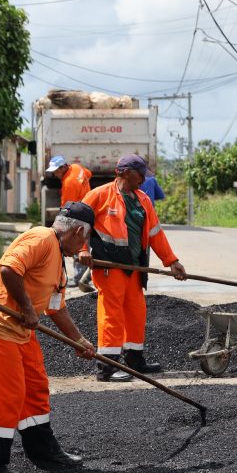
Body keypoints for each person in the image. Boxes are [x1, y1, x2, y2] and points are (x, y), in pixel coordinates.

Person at [0, 202, 97, 473]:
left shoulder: (59, 261)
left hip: (20, 332)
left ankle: (42, 451)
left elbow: (56, 308)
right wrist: (27, 308)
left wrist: (78, 340)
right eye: (86, 238)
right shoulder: (41, 238)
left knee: (35, 387)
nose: (84, 245)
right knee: (6, 394)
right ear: (78, 231)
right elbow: (9, 269)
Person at [80, 154, 187, 382]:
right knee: (112, 314)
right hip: (110, 265)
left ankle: (134, 358)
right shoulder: (100, 195)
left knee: (136, 313)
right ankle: (107, 367)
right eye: (140, 174)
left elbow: (155, 233)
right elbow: (77, 223)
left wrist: (172, 261)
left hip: (136, 268)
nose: (143, 179)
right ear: (126, 173)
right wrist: (82, 250)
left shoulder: (143, 200)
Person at [45, 155, 93, 288]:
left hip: (78, 215)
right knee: (84, 243)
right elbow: (89, 174)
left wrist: (60, 223)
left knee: (75, 245)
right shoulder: (77, 168)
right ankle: (85, 275)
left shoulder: (69, 183)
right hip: (87, 207)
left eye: (56, 171)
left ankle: (78, 277)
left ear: (63, 167)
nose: (55, 174)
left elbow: (67, 207)